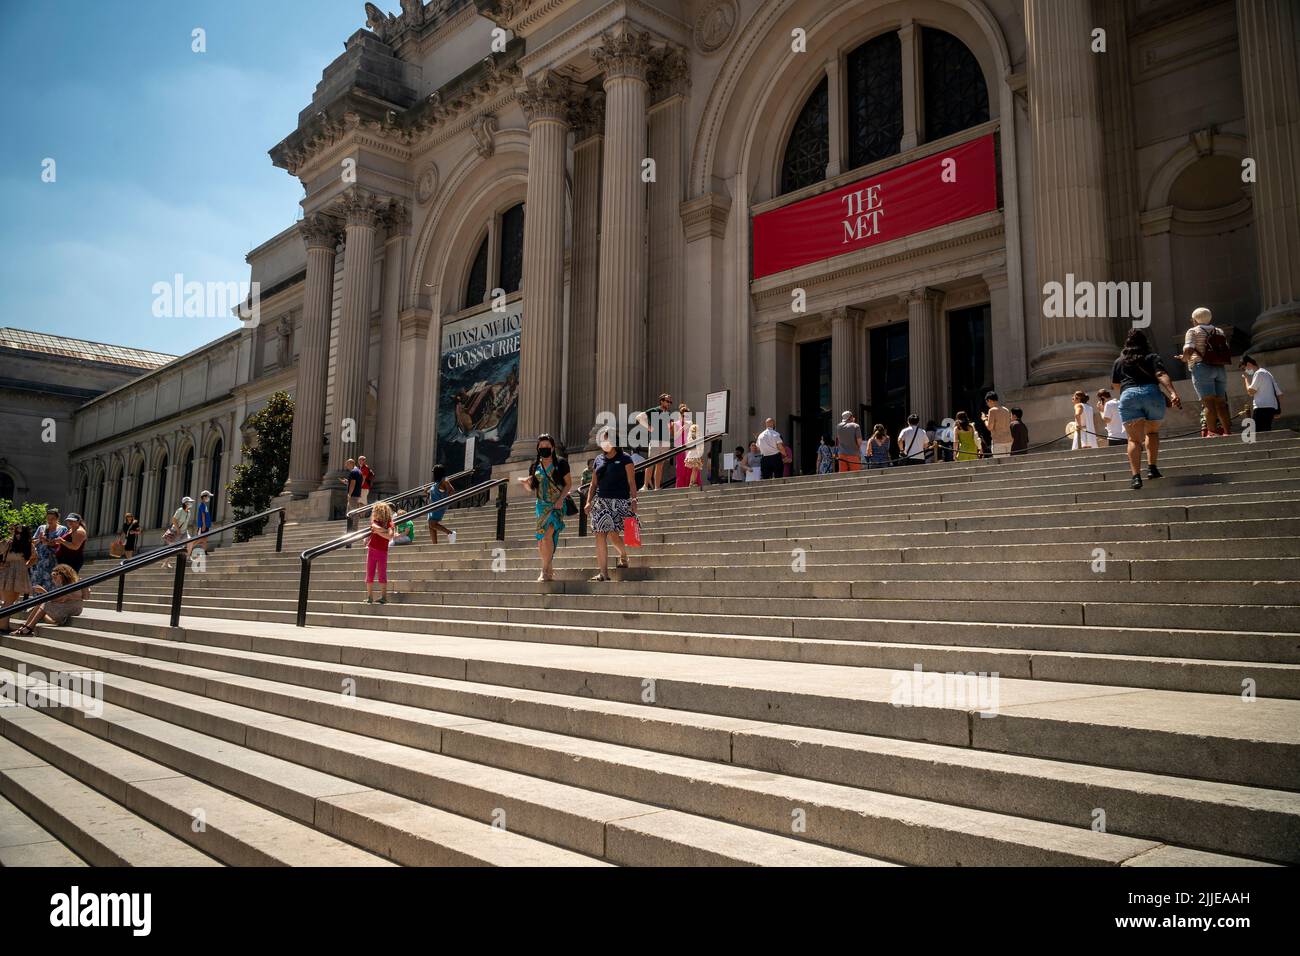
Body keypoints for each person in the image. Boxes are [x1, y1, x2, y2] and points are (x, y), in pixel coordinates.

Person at [1113, 327, 1182, 490]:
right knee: (1151, 432)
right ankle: (1152, 468)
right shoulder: (1152, 357)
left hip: (1129, 395)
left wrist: (1129, 392)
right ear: (1145, 342)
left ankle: (1136, 477)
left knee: (1133, 440)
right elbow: (1161, 375)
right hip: (1152, 394)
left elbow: (1116, 384)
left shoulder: (1119, 361)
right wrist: (1172, 393)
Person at [518, 433, 571, 582]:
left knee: (548, 536)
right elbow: (533, 489)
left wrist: (561, 499)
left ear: (553, 448)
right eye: (541, 447)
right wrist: (526, 484)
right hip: (541, 506)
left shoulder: (561, 463)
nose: (544, 449)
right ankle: (549, 567)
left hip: (556, 505)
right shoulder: (534, 466)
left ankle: (544, 570)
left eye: (547, 446)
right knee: (541, 540)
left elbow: (568, 484)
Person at [585, 432, 636, 582]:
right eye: (603, 439)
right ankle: (603, 573)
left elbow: (632, 482)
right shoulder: (598, 460)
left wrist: (634, 499)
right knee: (600, 534)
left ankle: (623, 554)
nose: (605, 442)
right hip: (601, 502)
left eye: (608, 439)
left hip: (619, 501)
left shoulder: (625, 458)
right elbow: (593, 484)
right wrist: (588, 501)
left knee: (613, 534)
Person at [1182, 306, 1233, 437]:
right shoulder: (1219, 331)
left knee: (1208, 403)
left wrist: (1184, 358)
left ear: (1195, 319)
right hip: (1219, 368)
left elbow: (1189, 349)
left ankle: (1212, 432)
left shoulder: (1193, 331)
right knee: (1221, 402)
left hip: (1202, 367)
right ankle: (1227, 432)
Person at [11, 564, 89, 635]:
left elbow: (57, 599)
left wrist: (43, 592)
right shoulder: (65, 585)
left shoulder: (73, 584)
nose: (53, 578)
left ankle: (28, 628)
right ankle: (26, 626)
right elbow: (58, 599)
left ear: (63, 574)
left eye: (55, 575)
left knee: (45, 603)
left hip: (72, 609)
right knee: (42, 603)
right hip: (69, 608)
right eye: (52, 575)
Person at [1, 523, 33, 633]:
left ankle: (4, 624)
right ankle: (2, 626)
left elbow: (35, 557)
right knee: (9, 601)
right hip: (8, 573)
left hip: (20, 574)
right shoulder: (8, 542)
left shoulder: (28, 545)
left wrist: (25, 566)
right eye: (15, 531)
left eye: (19, 532)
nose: (16, 534)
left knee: (12, 600)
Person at [640, 393, 674, 493]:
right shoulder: (654, 410)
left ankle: (657, 487)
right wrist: (648, 427)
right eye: (667, 401)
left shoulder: (667, 414)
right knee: (650, 463)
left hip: (665, 441)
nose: (668, 404)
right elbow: (639, 417)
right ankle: (645, 486)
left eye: (670, 402)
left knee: (660, 465)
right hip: (655, 440)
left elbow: (670, 428)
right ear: (661, 401)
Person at [29, 508, 68, 591]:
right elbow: (33, 542)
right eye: (48, 518)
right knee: (36, 585)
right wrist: (39, 539)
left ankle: (48, 603)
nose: (49, 520)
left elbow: (62, 543)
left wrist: (47, 542)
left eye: (52, 519)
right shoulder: (41, 528)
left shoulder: (63, 529)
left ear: (57, 519)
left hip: (53, 561)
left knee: (51, 584)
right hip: (39, 561)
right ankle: (36, 603)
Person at [364, 502, 395, 603]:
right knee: (370, 574)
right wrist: (384, 531)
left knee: (382, 574)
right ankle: (369, 597)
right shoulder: (375, 522)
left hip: (382, 551)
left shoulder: (389, 522)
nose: (373, 513)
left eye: (375, 511)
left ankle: (384, 597)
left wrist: (379, 531)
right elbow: (375, 528)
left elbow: (390, 536)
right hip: (372, 550)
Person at [1241, 355, 1282, 432]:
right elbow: (1279, 394)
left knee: (1257, 434)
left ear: (1249, 364)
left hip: (1261, 408)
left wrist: (1246, 379)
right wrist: (1277, 409)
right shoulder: (1267, 373)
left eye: (1244, 368)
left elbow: (1251, 392)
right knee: (1266, 432)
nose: (1245, 371)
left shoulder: (1258, 373)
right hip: (1270, 408)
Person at [162, 497, 195, 569]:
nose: (191, 503)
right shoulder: (180, 510)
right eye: (190, 502)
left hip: (184, 532)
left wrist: (184, 531)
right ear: (185, 503)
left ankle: (188, 558)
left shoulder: (189, 512)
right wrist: (178, 530)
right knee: (172, 548)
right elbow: (174, 520)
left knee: (190, 541)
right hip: (176, 532)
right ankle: (166, 562)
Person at [425, 465, 455, 544]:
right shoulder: (436, 483)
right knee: (430, 524)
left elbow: (451, 490)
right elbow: (435, 493)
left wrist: (445, 501)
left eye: (434, 472)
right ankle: (434, 544)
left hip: (438, 506)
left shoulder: (444, 480)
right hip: (432, 506)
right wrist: (426, 492)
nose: (433, 474)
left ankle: (450, 533)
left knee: (432, 523)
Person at [983, 392, 1013, 458]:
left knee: (1000, 463)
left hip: (998, 441)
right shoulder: (1006, 410)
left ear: (989, 400)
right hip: (1008, 440)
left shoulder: (992, 410)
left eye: (987, 402)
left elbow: (990, 427)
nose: (987, 404)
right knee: (1008, 462)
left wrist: (985, 419)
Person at [672, 403, 692, 489]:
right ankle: (680, 487)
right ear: (680, 415)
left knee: (690, 469)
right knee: (680, 470)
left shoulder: (690, 423)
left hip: (689, 449)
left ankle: (690, 484)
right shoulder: (675, 424)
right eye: (684, 415)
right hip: (680, 450)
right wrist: (683, 427)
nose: (685, 417)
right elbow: (675, 436)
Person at [684, 421, 705, 488]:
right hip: (695, 455)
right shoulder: (694, 436)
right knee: (695, 469)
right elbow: (698, 445)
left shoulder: (692, 437)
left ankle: (692, 482)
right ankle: (692, 483)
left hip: (693, 455)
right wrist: (700, 454)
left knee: (695, 469)